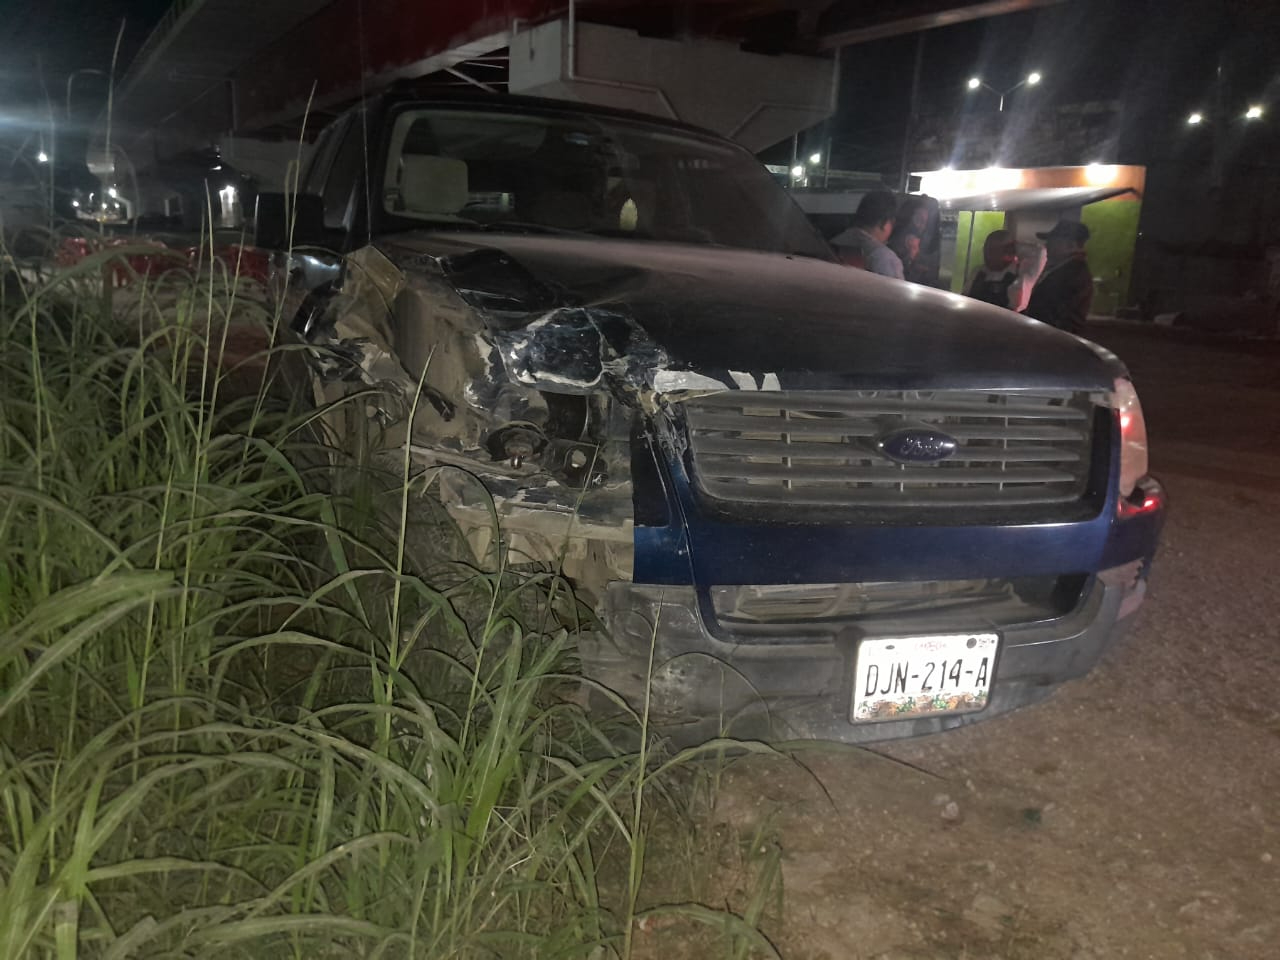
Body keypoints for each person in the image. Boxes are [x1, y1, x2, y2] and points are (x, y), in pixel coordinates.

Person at [1025, 220, 1094, 334]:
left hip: (1054, 340)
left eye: (1053, 241)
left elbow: (1055, 314)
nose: (1047, 245)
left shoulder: (1073, 273)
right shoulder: (1064, 269)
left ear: (1070, 245)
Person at [831, 190, 903, 279]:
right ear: (884, 223)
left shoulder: (834, 242)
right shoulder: (884, 257)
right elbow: (895, 292)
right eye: (892, 224)